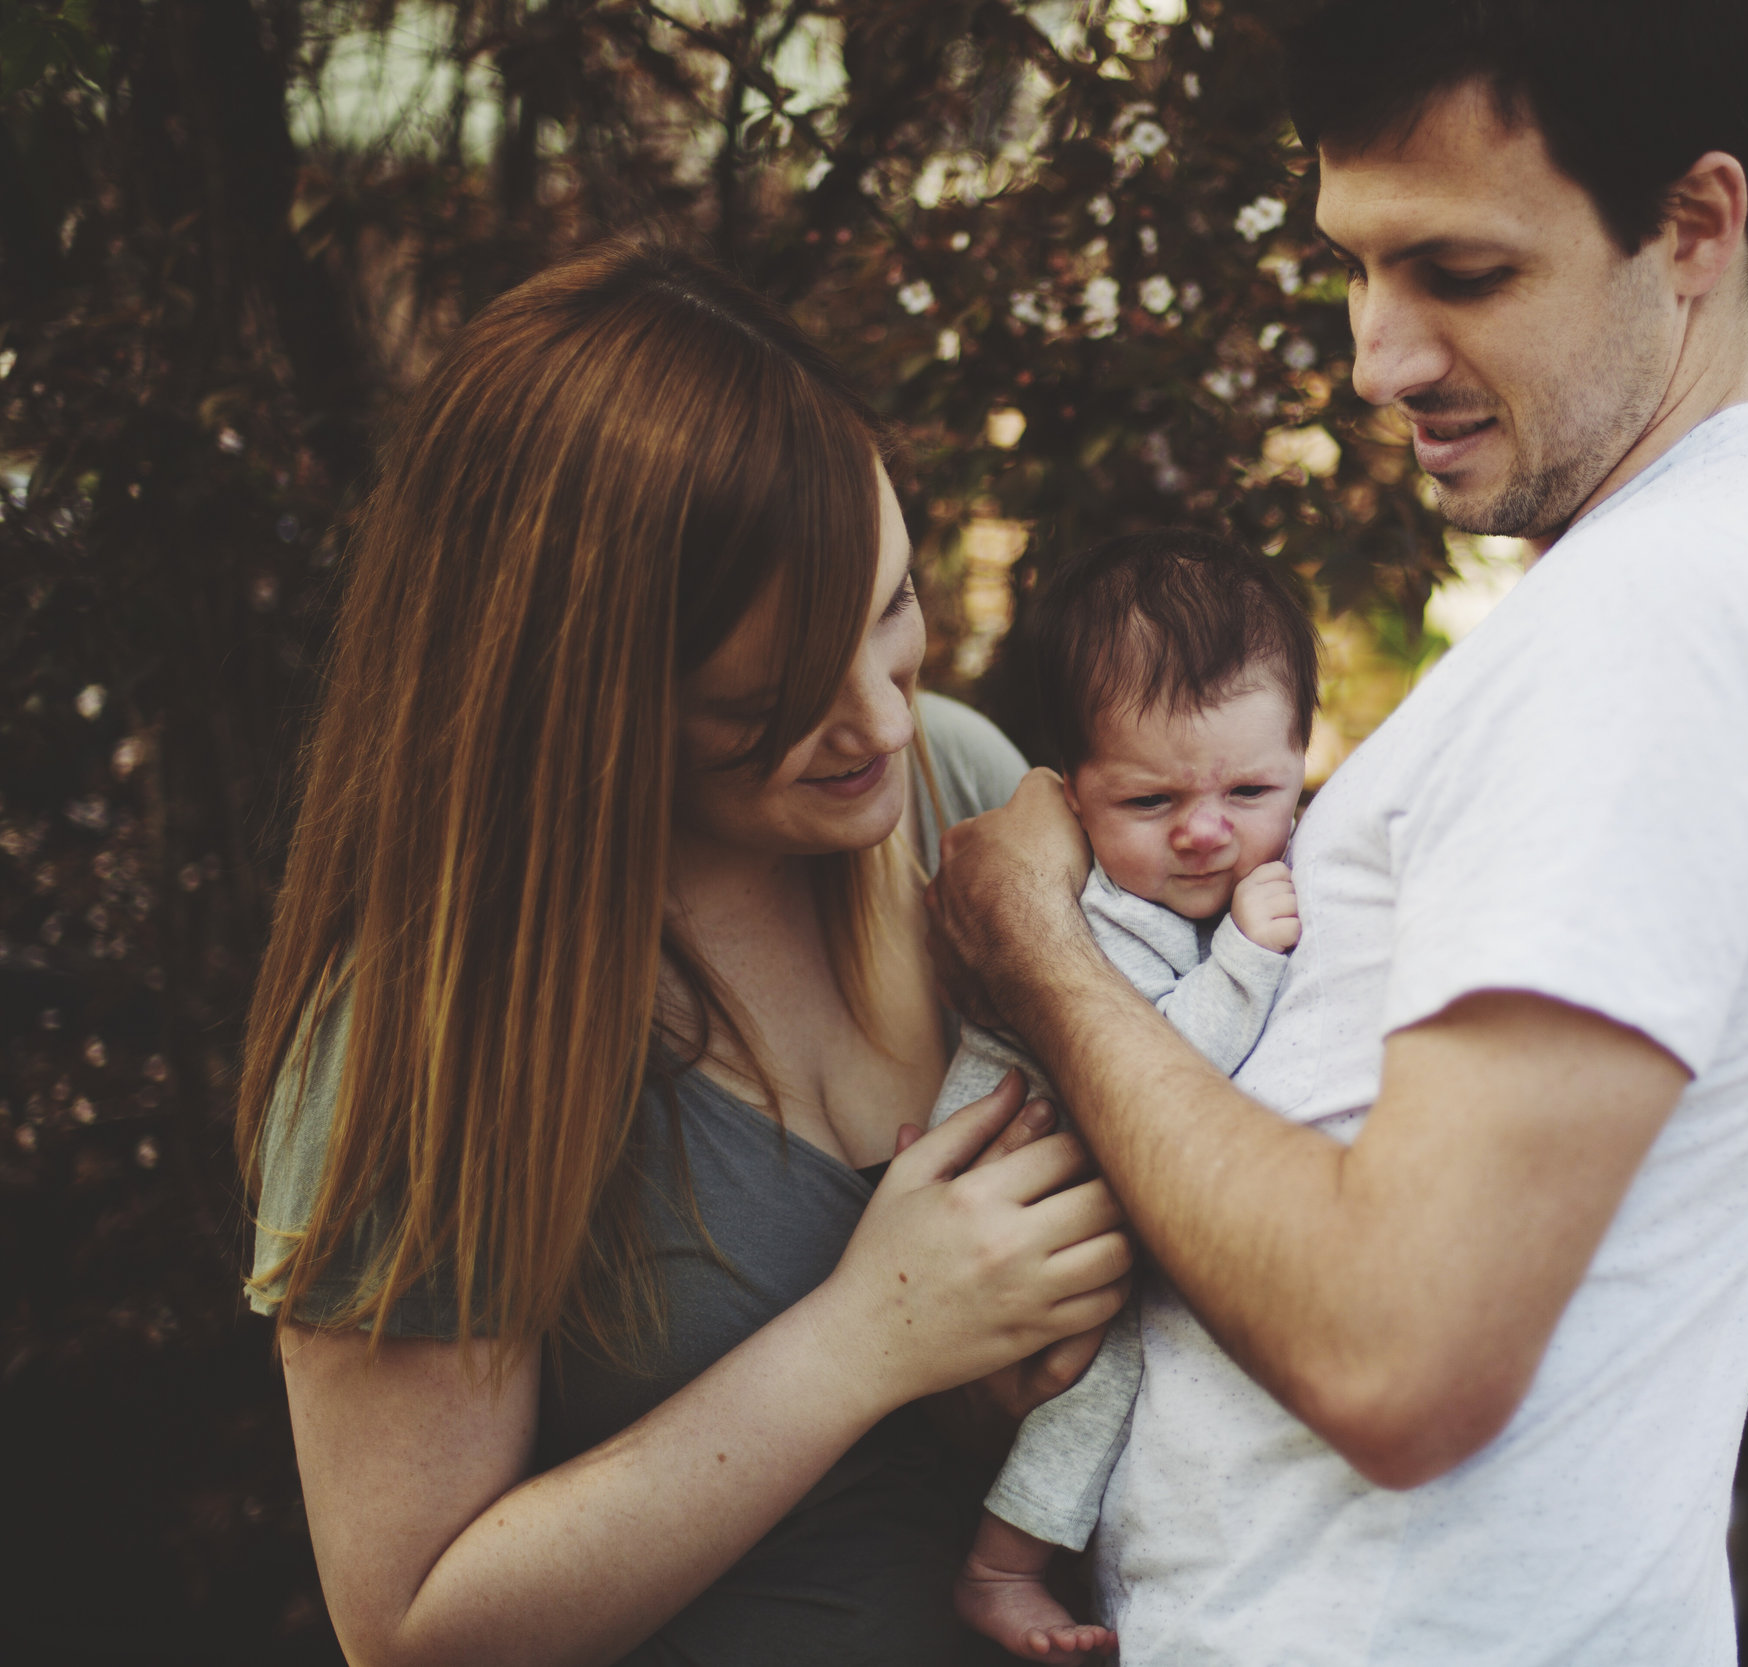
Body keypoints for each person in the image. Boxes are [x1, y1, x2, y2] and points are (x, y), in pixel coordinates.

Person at [924, 2, 1748, 1663]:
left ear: (1694, 227)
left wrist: (1041, 958)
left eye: (1460, 275)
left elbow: (1400, 1353)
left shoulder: (1661, 630)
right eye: (1358, 263)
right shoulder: (1718, 587)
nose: (1378, 355)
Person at [237, 239, 1129, 1667]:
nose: (884, 725)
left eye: (890, 606)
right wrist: (863, 1340)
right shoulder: (432, 1030)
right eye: (769, 700)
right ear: (581, 696)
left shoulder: (961, 795)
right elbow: (410, 1630)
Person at [929, 533, 1318, 1664]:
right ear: (1068, 796)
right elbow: (1147, 1075)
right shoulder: (1103, 917)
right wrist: (1244, 961)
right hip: (1024, 1185)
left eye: (1251, 790)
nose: (1205, 830)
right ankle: (999, 1565)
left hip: (1071, 1197)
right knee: (1109, 1369)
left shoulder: (1200, 877)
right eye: (1150, 798)